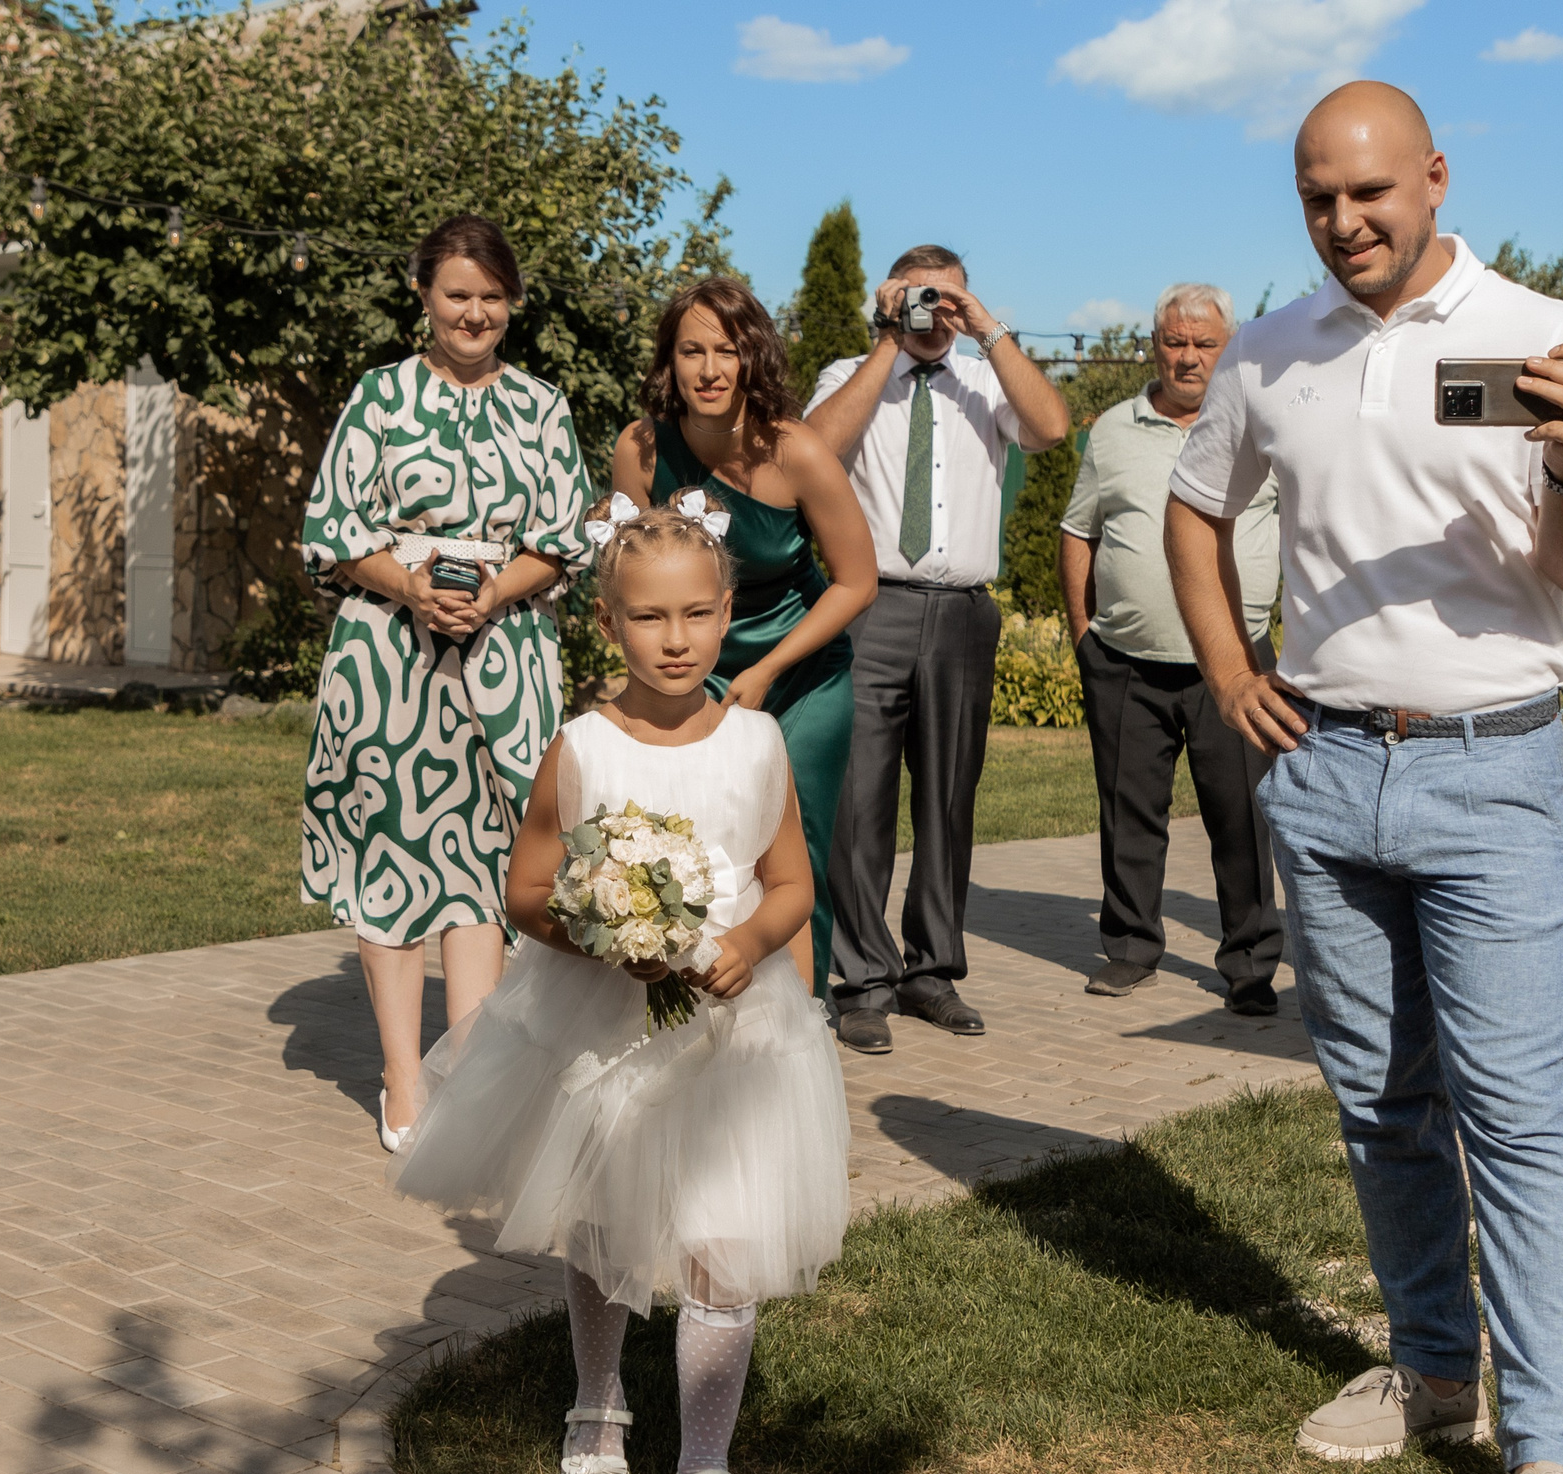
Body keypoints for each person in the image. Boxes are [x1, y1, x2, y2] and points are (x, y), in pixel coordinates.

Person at [1163, 83, 1563, 1474]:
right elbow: (1194, 508)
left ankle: (1552, 1457)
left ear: (1434, 177)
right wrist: (1230, 666)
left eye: (1372, 191)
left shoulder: (1541, 330)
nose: (1347, 220)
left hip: (1492, 770)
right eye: (1320, 197)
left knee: (1516, 1113)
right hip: (1324, 775)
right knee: (1379, 1103)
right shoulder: (1274, 347)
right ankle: (1435, 1367)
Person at [390, 493, 852, 1474]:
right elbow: (526, 892)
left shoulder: (756, 740)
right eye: (650, 619)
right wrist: (603, 930)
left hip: (736, 1035)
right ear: (608, 624)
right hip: (601, 1025)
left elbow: (793, 880)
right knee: (599, 1228)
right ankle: (597, 1407)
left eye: (697, 614)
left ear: (729, 611)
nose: (678, 638)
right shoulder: (582, 749)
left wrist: (749, 939)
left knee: (725, 1248)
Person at [299, 215, 593, 1153]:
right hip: (388, 655)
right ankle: (400, 1078)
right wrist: (413, 588)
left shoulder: (543, 407)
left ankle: (466, 1070)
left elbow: (565, 536)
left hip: (505, 657)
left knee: (484, 858)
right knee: (390, 855)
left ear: (513, 304)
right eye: (457, 294)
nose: (475, 313)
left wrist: (494, 592)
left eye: (492, 297)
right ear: (424, 294)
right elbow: (332, 525)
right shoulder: (378, 397)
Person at [808, 245, 1071, 1054]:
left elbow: (1054, 429)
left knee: (949, 800)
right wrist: (888, 336)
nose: (933, 312)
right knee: (860, 803)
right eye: (919, 296)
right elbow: (814, 447)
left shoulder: (987, 377)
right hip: (869, 605)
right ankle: (862, 980)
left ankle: (933, 972)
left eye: (944, 298)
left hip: (962, 611)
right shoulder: (849, 371)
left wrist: (986, 325)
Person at [611, 278, 878, 993]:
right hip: (689, 669)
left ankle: (799, 1029)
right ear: (668, 362)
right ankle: (693, 1007)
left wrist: (767, 672)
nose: (708, 368)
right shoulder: (639, 449)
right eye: (690, 350)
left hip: (801, 675)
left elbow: (858, 581)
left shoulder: (798, 452)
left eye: (725, 350)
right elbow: (627, 578)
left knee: (794, 855)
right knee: (694, 837)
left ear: (751, 357)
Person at [1061, 282, 1285, 1014]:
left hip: (1237, 666)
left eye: (1204, 343)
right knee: (1129, 814)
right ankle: (1129, 949)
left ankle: (1250, 965)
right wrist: (1083, 635)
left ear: (1229, 348)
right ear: (1154, 345)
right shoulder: (1112, 431)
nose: (1188, 357)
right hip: (1126, 661)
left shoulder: (1260, 421)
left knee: (1243, 821)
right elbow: (1078, 531)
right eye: (1174, 341)